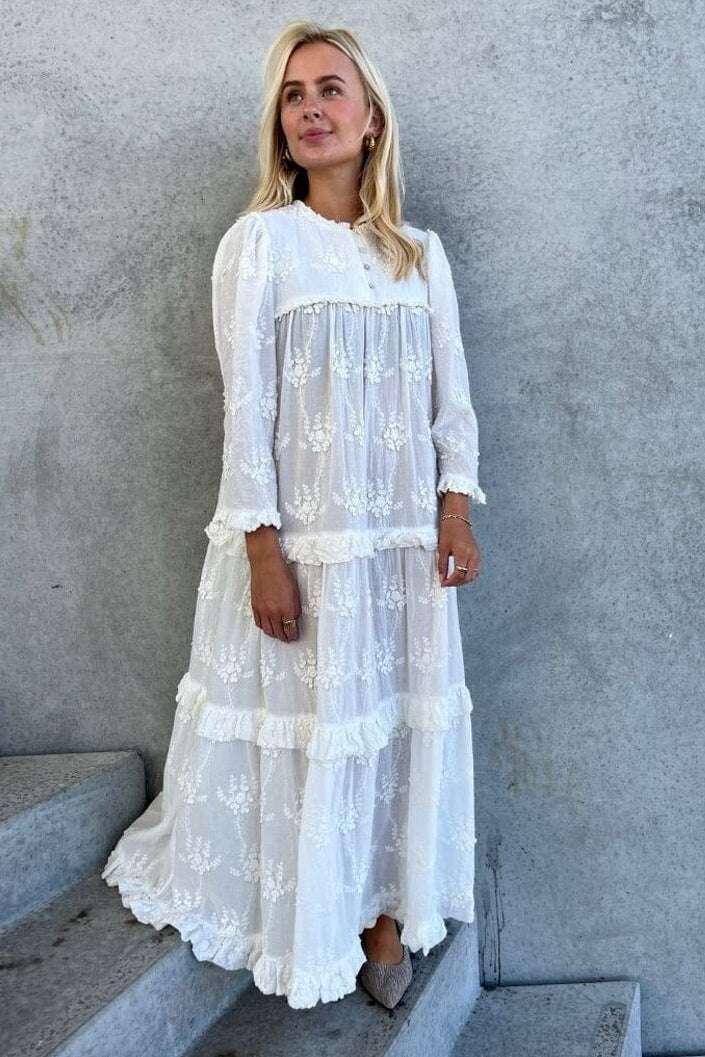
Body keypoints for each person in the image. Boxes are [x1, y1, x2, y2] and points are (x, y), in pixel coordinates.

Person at [102, 19, 486, 1012]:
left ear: (371, 119)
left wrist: (455, 511)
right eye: (292, 95)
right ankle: (318, 916)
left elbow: (451, 402)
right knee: (317, 727)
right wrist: (263, 550)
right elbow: (249, 408)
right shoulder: (260, 244)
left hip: (401, 554)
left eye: (329, 89)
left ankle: (389, 914)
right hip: (304, 544)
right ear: (280, 126)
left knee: (394, 724)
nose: (311, 109)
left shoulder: (421, 256)